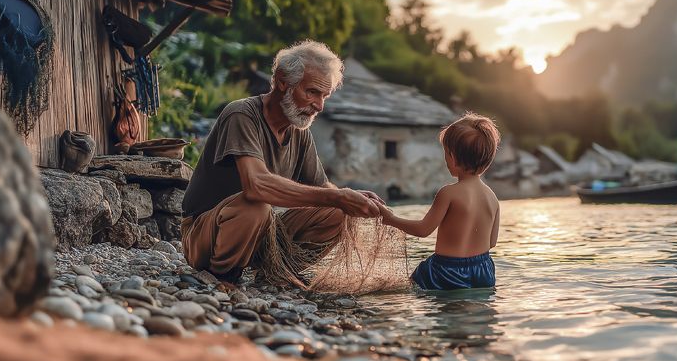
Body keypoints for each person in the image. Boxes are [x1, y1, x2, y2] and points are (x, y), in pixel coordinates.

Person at [180, 40, 383, 285]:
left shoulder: (299, 131)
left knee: (338, 213)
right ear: (282, 81)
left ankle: (275, 272)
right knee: (256, 206)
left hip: (262, 232)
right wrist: (337, 197)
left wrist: (351, 199)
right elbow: (256, 186)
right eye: (311, 92)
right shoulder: (241, 115)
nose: (318, 106)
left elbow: (322, 188)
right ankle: (221, 276)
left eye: (324, 96)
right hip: (205, 235)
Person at [378, 113, 501, 290]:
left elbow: (423, 229)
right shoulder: (492, 198)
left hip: (446, 271)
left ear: (453, 157)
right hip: (483, 271)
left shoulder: (448, 193)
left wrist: (390, 219)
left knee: (419, 293)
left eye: (446, 153)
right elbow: (491, 243)